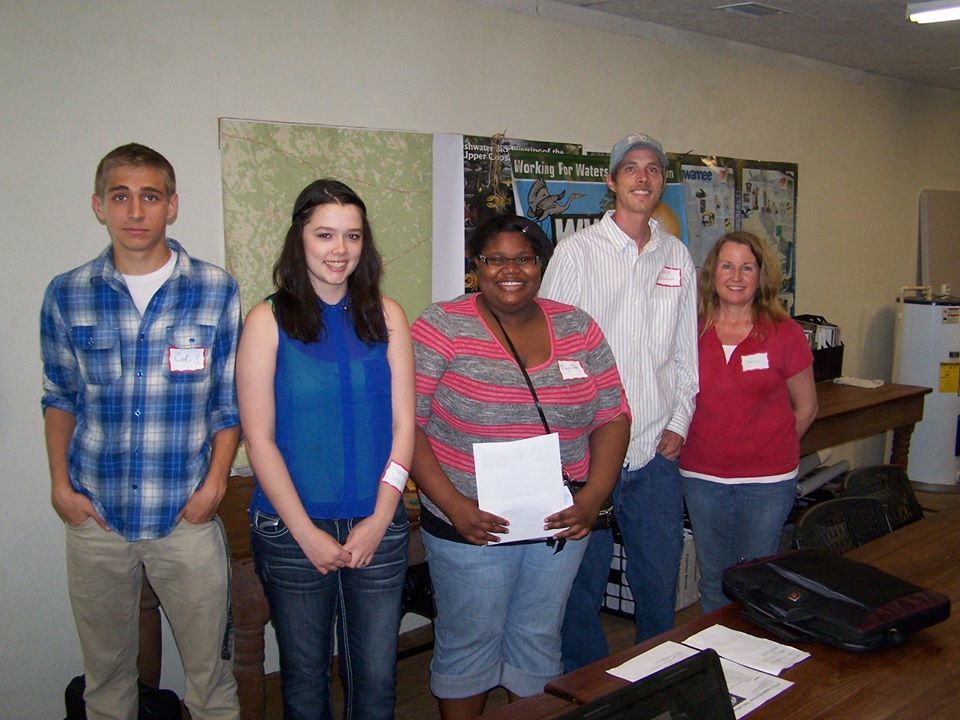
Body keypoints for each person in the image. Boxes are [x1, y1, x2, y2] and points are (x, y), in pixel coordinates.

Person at [40, 143, 241, 719]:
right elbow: (60, 396)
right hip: (95, 515)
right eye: (120, 196)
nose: (135, 211)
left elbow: (229, 404)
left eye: (149, 197)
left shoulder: (215, 290)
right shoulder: (68, 293)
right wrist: (62, 488)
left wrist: (213, 487)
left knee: (211, 681)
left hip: (185, 516)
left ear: (171, 206)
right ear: (98, 205)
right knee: (107, 683)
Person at [411, 214, 630, 720]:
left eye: (524, 258)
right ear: (477, 266)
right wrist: (453, 505)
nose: (511, 270)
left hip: (560, 521)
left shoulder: (577, 325)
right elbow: (408, 425)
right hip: (472, 525)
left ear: (541, 265)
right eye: (496, 259)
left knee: (538, 638)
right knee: (470, 642)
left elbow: (613, 414)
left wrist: (593, 498)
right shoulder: (441, 325)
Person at [237, 179, 414, 720]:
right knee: (305, 679)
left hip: (377, 525)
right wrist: (306, 533)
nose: (340, 250)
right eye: (325, 235)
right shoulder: (266, 320)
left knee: (377, 678)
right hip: (292, 531)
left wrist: (382, 516)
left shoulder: (388, 316)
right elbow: (259, 439)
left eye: (352, 236)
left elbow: (405, 428)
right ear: (300, 240)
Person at [540, 133, 699, 670]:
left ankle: (655, 683)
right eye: (630, 168)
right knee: (580, 592)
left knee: (657, 587)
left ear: (661, 183)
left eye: (653, 169)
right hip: (587, 456)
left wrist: (679, 421)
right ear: (611, 181)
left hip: (655, 453)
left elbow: (684, 354)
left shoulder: (676, 256)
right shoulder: (575, 253)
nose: (642, 177)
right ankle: (591, 692)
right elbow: (552, 352)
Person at [679, 231, 817, 613]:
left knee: (759, 581)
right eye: (727, 266)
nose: (736, 276)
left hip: (767, 483)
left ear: (760, 276)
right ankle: (718, 661)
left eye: (746, 267)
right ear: (712, 273)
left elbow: (806, 407)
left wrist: (770, 445)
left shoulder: (784, 333)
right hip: (703, 478)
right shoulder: (690, 329)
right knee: (713, 580)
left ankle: (757, 666)